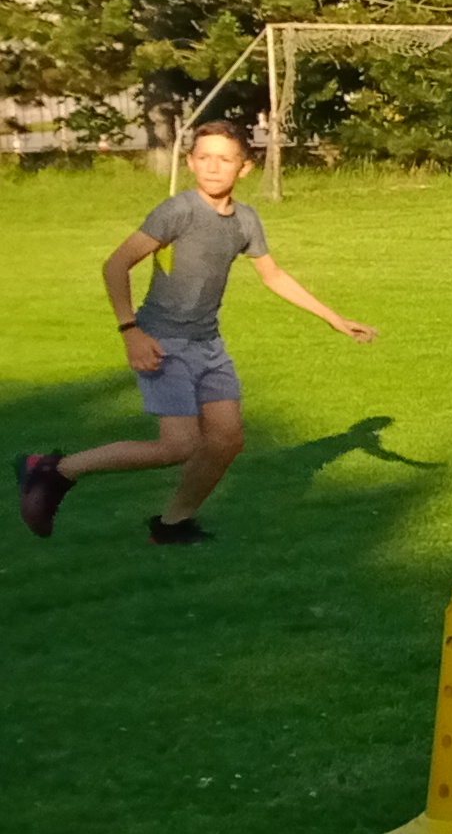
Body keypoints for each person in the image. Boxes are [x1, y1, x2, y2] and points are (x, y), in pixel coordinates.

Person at [19, 124, 373, 546]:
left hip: (208, 344)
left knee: (226, 440)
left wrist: (333, 318)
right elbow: (116, 265)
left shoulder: (245, 220)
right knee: (177, 446)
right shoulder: (178, 211)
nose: (212, 167)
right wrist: (130, 331)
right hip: (161, 342)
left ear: (244, 168)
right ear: (189, 162)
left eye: (225, 159)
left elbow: (273, 275)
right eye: (203, 157)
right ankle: (54, 469)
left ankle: (172, 525)